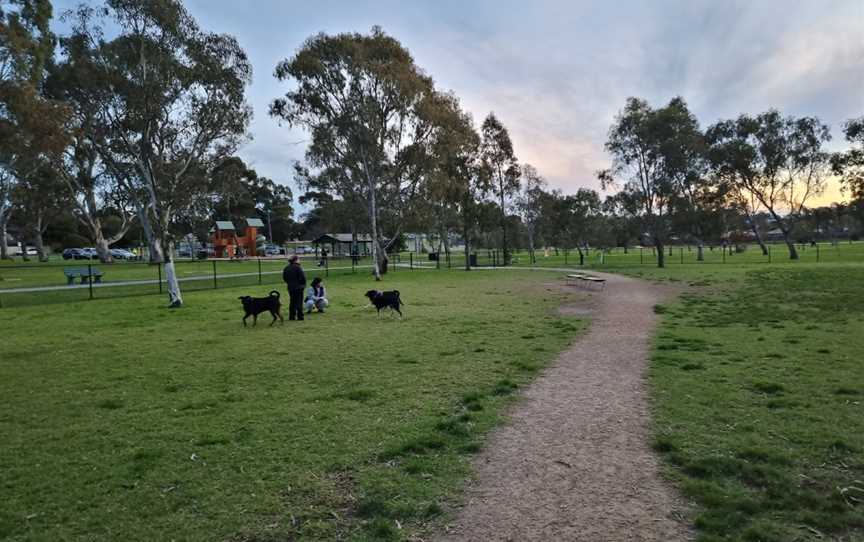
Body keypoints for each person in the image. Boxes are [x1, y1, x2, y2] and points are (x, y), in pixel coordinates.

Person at [282, 254, 306, 321]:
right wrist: (302, 285)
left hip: (290, 287)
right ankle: (300, 316)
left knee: (292, 302)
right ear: (296, 260)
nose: (299, 260)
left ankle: (291, 316)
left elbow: (284, 278)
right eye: (299, 259)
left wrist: (289, 283)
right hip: (298, 287)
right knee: (299, 302)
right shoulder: (298, 267)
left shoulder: (286, 268)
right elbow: (302, 278)